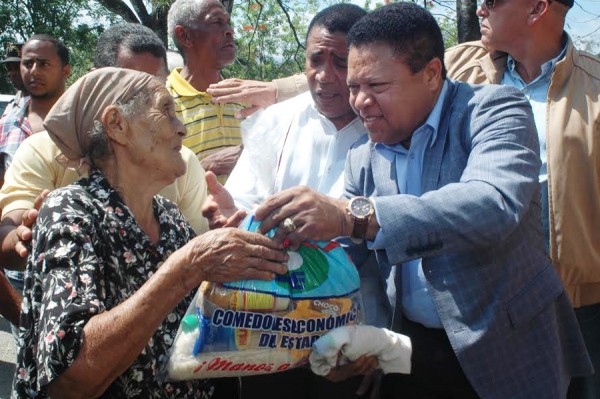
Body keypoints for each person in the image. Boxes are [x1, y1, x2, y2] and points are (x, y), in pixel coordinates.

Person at [252, 3, 593, 398]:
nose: (360, 102)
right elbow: (347, 260)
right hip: (410, 353)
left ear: (431, 74)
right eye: (354, 88)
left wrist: (353, 216)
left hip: (506, 348)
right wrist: (276, 251)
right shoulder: (363, 158)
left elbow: (492, 203)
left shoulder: (495, 111)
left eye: (376, 87)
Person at [11, 67, 289, 399]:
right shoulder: (71, 210)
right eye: (166, 111)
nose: (182, 128)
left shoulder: (169, 217)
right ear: (117, 125)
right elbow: (71, 380)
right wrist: (185, 268)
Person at [203, 5, 380, 398]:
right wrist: (232, 211)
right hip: (272, 329)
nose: (324, 76)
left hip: (355, 334)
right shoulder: (275, 121)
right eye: (316, 59)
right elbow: (247, 203)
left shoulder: (388, 123)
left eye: (341, 62)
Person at [0, 23, 208, 335]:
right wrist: (28, 240)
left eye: (157, 89)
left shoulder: (181, 171)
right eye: (130, 88)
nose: (179, 127)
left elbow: (197, 270)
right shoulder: (54, 180)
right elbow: (73, 371)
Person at [444, 1, 600, 397]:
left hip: (579, 308)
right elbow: (366, 71)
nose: (480, 9)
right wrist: (277, 90)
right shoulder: (456, 68)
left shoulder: (595, 89)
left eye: (492, 1)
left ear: (536, 8)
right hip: (478, 306)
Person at [167, 0, 245, 182]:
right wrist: (208, 166)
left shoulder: (244, 97)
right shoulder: (162, 105)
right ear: (184, 35)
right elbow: (157, 188)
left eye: (228, 23)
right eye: (217, 22)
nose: (230, 30)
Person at [1, 43, 29, 117]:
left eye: (17, 68)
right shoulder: (10, 106)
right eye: (10, 69)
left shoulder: (45, 104)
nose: (13, 74)